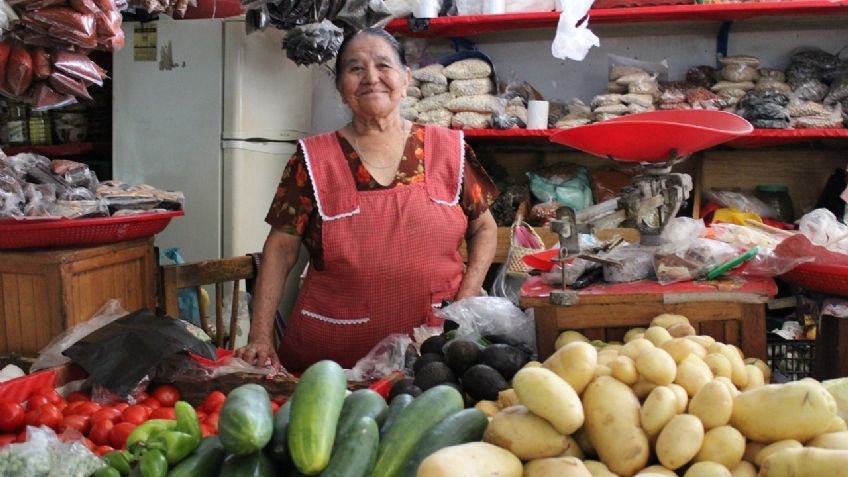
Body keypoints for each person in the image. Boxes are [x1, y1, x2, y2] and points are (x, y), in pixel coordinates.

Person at [236, 28, 499, 372]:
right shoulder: (314, 159)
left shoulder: (448, 149)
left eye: (383, 65)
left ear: (405, 80)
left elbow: (484, 228)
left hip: (432, 351)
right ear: (341, 89)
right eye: (355, 69)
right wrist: (259, 335)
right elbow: (281, 249)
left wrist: (468, 296)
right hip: (331, 360)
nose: (371, 78)